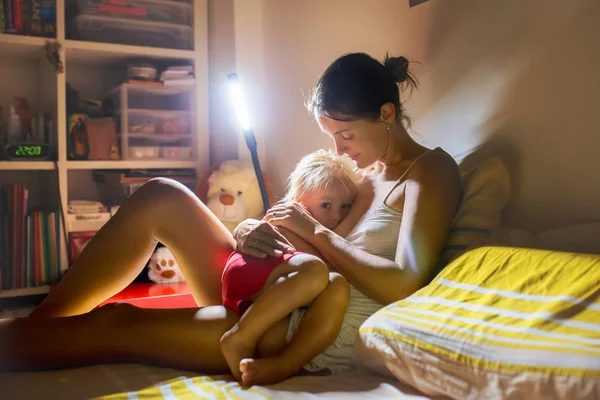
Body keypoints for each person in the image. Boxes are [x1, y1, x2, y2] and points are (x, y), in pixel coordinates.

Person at [0, 53, 462, 379]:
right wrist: (249, 229)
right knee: (161, 195)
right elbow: (298, 223)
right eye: (332, 136)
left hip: (302, 323)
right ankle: (39, 325)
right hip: (277, 281)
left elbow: (406, 281)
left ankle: (17, 343)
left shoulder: (431, 171)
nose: (337, 148)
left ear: (386, 114)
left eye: (344, 134)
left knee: (117, 323)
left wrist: (315, 233)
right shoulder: (363, 170)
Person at [220, 150, 367, 385]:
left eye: (345, 206)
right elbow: (318, 264)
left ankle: (289, 363)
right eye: (326, 205)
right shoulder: (290, 220)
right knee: (316, 270)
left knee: (337, 285)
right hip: (252, 273)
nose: (337, 216)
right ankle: (239, 338)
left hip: (271, 286)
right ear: (299, 201)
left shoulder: (315, 226)